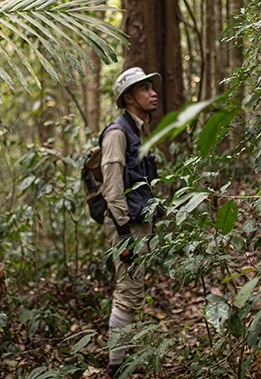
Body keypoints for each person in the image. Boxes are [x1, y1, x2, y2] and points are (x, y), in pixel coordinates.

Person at [99, 66, 161, 378]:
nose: (153, 94)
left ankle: (121, 357)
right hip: (126, 228)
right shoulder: (117, 133)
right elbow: (111, 186)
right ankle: (115, 367)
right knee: (127, 291)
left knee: (133, 290)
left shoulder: (137, 129)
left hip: (137, 224)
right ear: (128, 97)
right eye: (144, 89)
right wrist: (124, 233)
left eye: (152, 88)